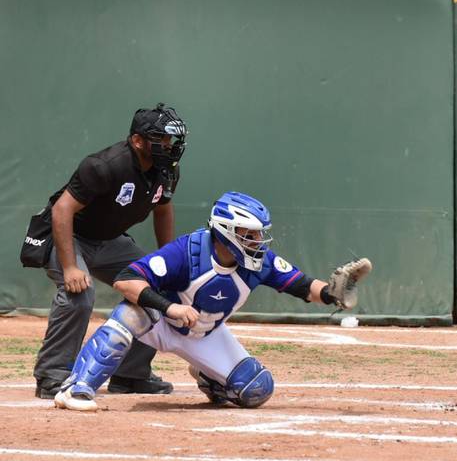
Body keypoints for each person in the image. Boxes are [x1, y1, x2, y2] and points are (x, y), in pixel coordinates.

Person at [53, 191, 372, 411]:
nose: (257, 241)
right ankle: (78, 387)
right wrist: (169, 307)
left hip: (203, 334)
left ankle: (208, 376)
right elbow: (126, 279)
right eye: (249, 234)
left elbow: (302, 286)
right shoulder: (187, 251)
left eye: (259, 234)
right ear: (226, 231)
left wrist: (332, 294)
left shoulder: (260, 262)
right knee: (131, 314)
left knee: (257, 389)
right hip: (162, 320)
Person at [31, 103, 187, 399]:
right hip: (68, 237)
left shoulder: (166, 170)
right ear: (138, 140)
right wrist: (70, 267)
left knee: (159, 288)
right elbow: (62, 210)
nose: (168, 146)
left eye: (171, 140)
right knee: (79, 294)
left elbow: (163, 210)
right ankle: (52, 376)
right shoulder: (104, 165)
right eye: (161, 139)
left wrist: (167, 262)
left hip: (110, 241)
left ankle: (130, 375)